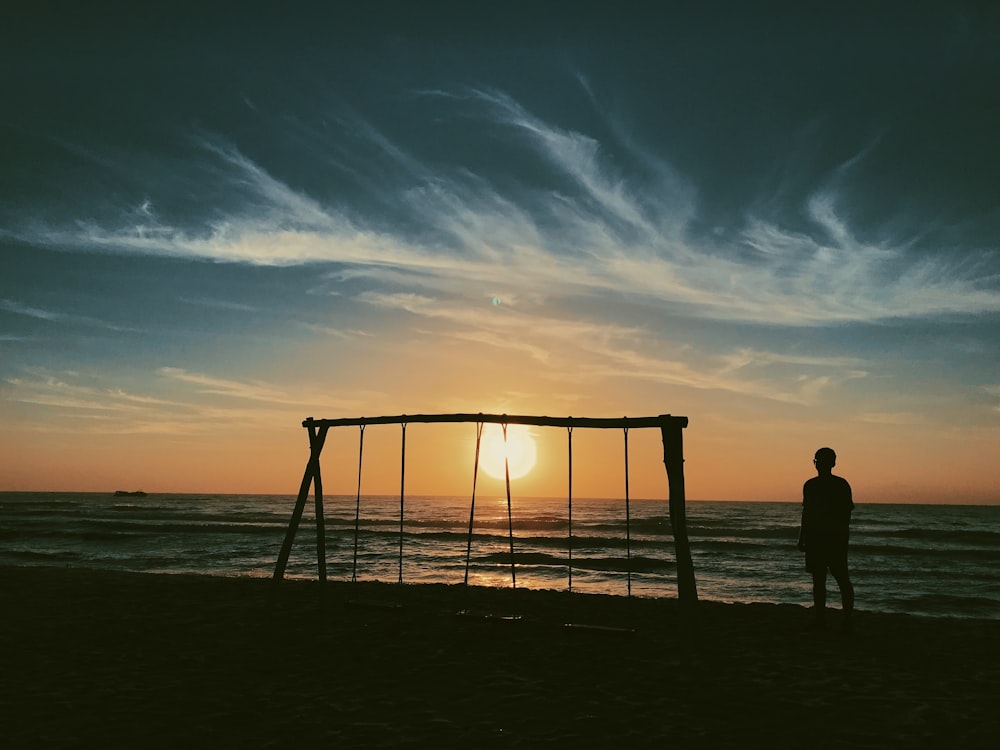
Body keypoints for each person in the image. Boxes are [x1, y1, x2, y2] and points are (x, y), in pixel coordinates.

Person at [797, 447, 855, 632]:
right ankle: (845, 619)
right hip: (834, 538)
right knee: (841, 579)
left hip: (819, 538)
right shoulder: (841, 484)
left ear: (816, 463)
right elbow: (846, 514)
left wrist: (802, 537)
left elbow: (807, 514)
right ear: (834, 463)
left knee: (821, 580)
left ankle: (822, 619)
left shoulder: (811, 485)